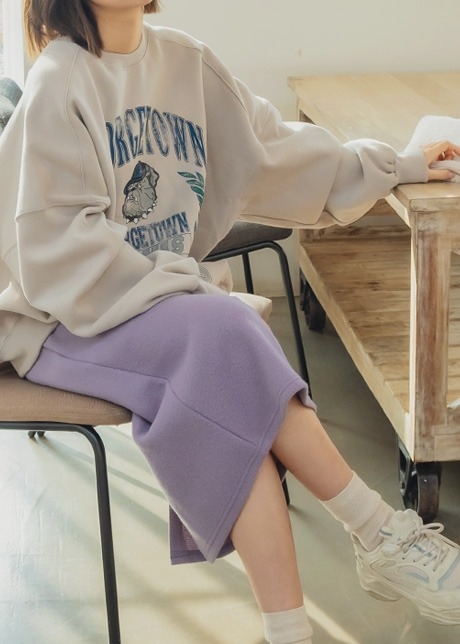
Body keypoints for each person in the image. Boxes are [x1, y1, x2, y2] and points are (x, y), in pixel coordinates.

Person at [1, 1, 460, 642]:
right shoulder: (61, 77)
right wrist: (186, 287)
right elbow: (55, 253)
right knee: (221, 331)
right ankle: (379, 532)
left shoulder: (186, 63)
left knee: (223, 370)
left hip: (160, 308)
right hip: (55, 321)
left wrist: (398, 166)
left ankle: (293, 628)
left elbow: (273, 151)